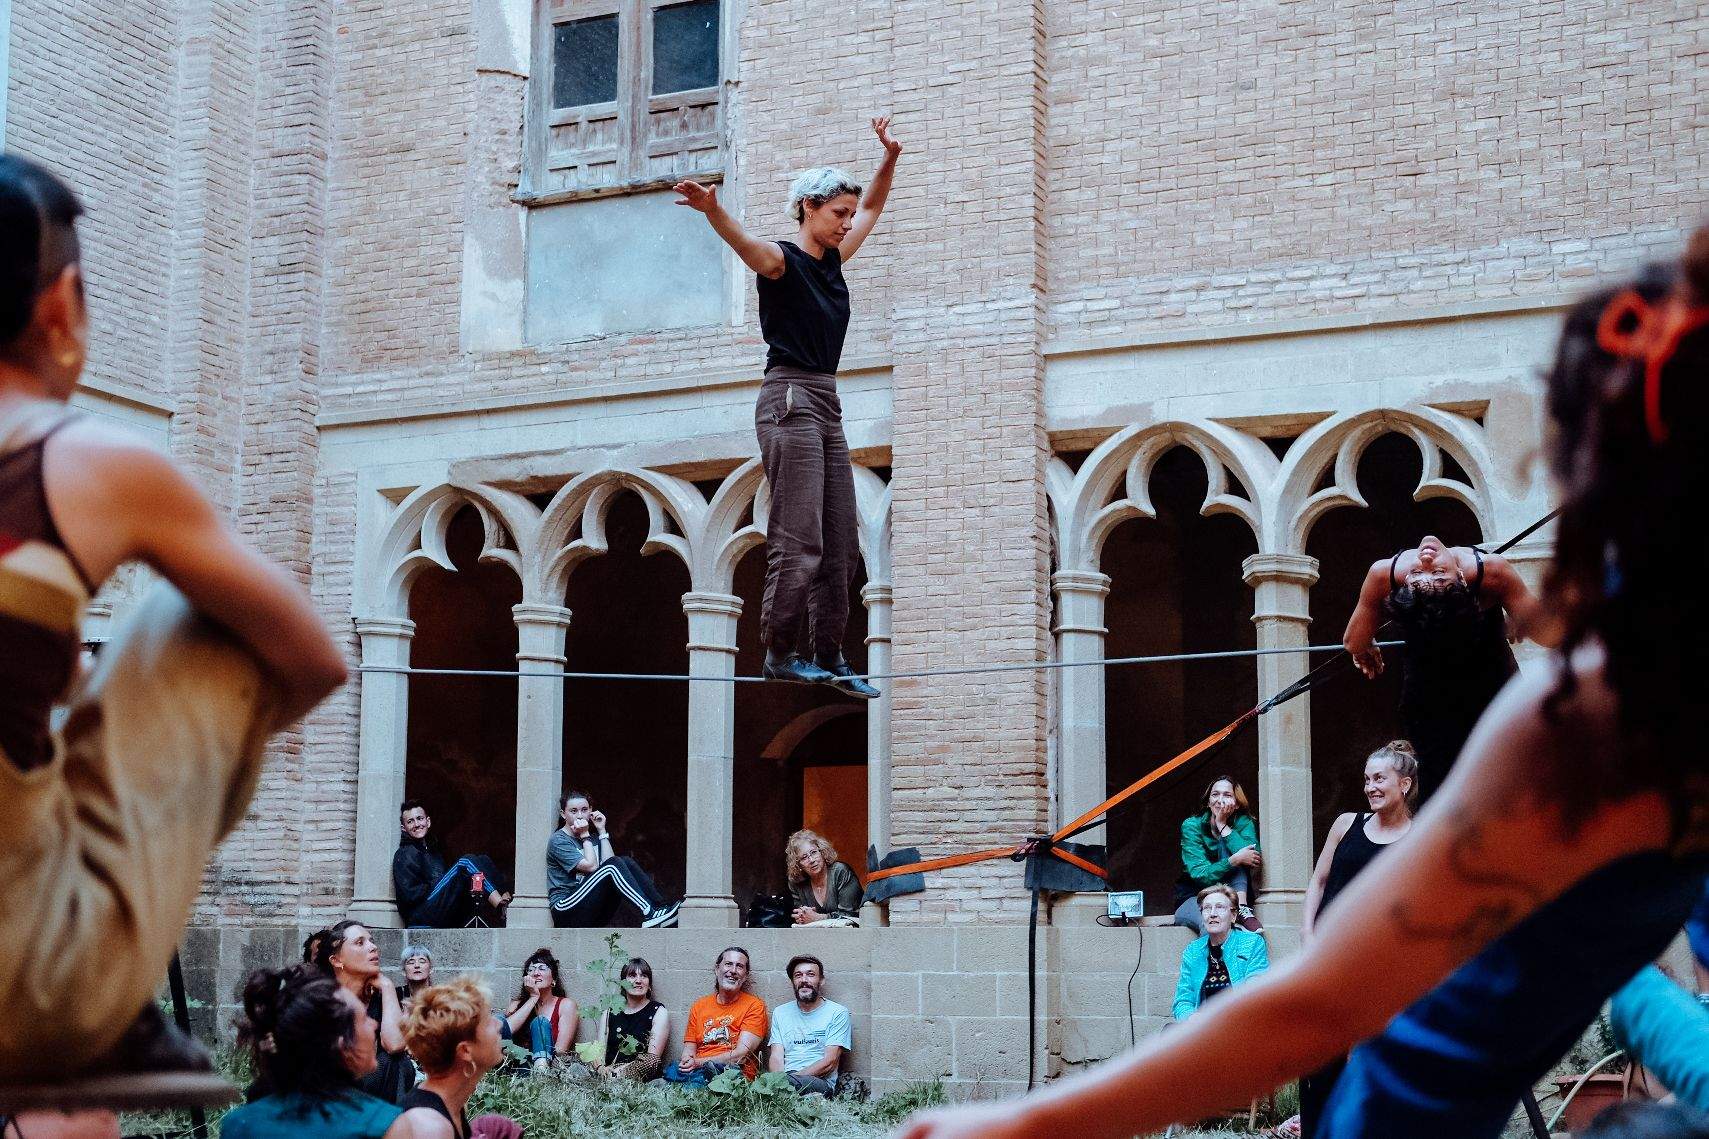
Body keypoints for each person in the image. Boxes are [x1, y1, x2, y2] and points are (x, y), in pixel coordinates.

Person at [895, 234, 1709, 1139]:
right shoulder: (1577, 689)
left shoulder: (1579, 719)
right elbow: (1390, 611)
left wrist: (1025, 1125)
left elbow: (1314, 1008)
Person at [0, 154, 347, 1095]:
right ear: (63, 303)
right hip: (24, 981)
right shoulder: (81, 460)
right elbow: (312, 662)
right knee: (204, 622)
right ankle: (114, 991)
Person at [672, 118, 902, 698]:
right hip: (790, 398)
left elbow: (875, 206)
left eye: (849, 215)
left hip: (825, 400)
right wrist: (711, 211)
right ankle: (780, 651)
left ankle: (829, 655)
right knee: (799, 539)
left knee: (842, 545)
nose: (849, 223)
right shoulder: (781, 262)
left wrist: (888, 160)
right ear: (808, 209)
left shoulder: (834, 261)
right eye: (838, 214)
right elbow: (744, 243)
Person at [1344, 532, 1553, 803]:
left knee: (1508, 779)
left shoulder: (1388, 573)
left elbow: (1352, 641)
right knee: (1443, 790)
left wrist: (1365, 646)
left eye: (1429, 571)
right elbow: (1548, 632)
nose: (1426, 559)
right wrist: (1525, 621)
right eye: (1423, 572)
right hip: (1430, 701)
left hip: (1488, 686)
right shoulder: (1490, 573)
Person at [1294, 741, 1419, 1136]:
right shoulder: (1346, 824)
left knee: (1367, 1067)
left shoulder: (1419, 839)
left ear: (1405, 784)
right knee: (1316, 1064)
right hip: (1325, 960)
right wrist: (1307, 933)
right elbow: (1318, 883)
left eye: (1379, 779)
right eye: (1367, 779)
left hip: (1375, 971)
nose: (1370, 787)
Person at [221, 964, 414, 1138]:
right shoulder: (385, 1125)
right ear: (341, 1045)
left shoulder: (238, 1124)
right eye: (364, 1019)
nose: (374, 1024)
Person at [399, 977, 519, 1139]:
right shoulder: (430, 1128)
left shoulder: (449, 1102)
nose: (499, 1024)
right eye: (487, 1022)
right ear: (465, 1051)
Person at [314, 920, 416, 1104]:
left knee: (398, 1062)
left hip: (371, 1088)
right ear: (336, 960)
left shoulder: (379, 996)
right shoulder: (325, 999)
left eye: (371, 941)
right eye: (360, 943)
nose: (373, 947)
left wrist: (387, 986)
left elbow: (395, 1044)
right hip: (330, 1091)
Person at [547, 791, 680, 928]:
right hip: (566, 910)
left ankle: (660, 908)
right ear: (564, 814)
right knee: (614, 864)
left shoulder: (592, 838)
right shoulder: (559, 840)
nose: (580, 815)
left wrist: (601, 831)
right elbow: (592, 867)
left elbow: (612, 868)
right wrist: (585, 835)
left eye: (584, 810)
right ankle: (649, 912)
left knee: (625, 861)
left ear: (591, 811)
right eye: (573, 811)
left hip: (591, 910)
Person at [392, 801, 511, 928]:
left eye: (419, 819)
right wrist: (441, 883)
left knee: (483, 859)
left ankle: (506, 900)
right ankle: (500, 906)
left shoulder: (434, 853)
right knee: (466, 862)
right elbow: (411, 895)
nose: (416, 824)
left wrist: (449, 885)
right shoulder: (405, 853)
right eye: (410, 821)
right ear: (404, 828)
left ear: (428, 822)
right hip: (421, 915)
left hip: (439, 909)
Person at [665, 947, 768, 1087]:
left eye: (739, 966)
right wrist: (687, 1062)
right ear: (717, 969)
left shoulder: (755, 1006)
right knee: (673, 1069)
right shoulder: (699, 1006)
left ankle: (690, 1087)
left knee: (705, 1079)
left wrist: (698, 1062)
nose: (733, 970)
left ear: (745, 975)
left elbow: (740, 1056)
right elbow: (689, 1050)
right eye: (728, 964)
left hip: (732, 1072)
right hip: (698, 1068)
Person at [1172, 777, 1263, 935]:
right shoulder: (1192, 825)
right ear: (1208, 802)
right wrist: (1233, 860)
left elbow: (1252, 858)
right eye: (1215, 794)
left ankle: (1241, 908)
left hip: (1231, 897)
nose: (1220, 800)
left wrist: (1223, 825)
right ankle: (1212, 960)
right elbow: (1200, 874)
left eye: (1227, 795)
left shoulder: (1243, 822)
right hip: (1195, 896)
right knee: (1212, 920)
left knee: (1237, 849)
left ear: (1236, 803)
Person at [1171, 885, 1270, 1021]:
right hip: (1203, 1028)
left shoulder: (1252, 943)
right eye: (1207, 908)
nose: (1212, 913)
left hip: (1242, 1022)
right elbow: (1183, 1000)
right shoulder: (1193, 951)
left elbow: (1255, 989)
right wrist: (1191, 1018)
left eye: (1220, 907)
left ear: (1233, 916)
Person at [767, 955, 852, 1095]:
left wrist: (788, 1082)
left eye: (810, 975)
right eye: (798, 975)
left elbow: (829, 1062)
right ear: (792, 982)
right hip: (785, 1079)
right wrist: (779, 1080)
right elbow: (776, 1056)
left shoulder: (837, 1012)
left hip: (819, 1081)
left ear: (821, 980)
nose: (804, 980)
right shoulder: (780, 1012)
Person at [591, 957, 669, 1082]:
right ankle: (607, 1079)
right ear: (623, 982)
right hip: (609, 1069)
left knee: (652, 1060)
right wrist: (601, 1068)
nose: (638, 981)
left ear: (649, 984)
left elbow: (652, 1058)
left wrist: (620, 1072)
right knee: (588, 1056)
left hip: (638, 1071)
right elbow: (599, 1052)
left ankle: (614, 1079)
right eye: (632, 976)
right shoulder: (609, 1012)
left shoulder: (658, 1011)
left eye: (643, 976)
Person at [503, 948, 579, 1072]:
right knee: (499, 1020)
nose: (536, 973)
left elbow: (561, 1051)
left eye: (542, 968)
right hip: (516, 1065)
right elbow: (505, 1033)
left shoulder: (566, 1005)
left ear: (553, 979)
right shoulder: (515, 1005)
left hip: (548, 1066)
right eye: (531, 970)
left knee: (540, 1022)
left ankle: (541, 1072)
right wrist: (534, 997)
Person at [786, 829, 864, 926]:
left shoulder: (840, 872)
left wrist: (817, 918)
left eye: (814, 852)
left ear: (822, 852)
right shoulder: (796, 882)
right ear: (798, 865)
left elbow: (851, 915)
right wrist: (802, 917)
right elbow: (803, 917)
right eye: (804, 857)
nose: (811, 860)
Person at [399, 946, 433, 1012]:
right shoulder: (395, 995)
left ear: (431, 969)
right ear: (403, 971)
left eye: (422, 961)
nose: (417, 965)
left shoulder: (440, 996)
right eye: (411, 962)